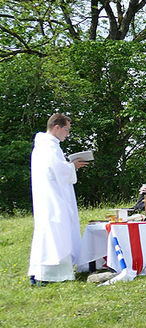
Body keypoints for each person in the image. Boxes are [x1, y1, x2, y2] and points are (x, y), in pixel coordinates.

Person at [29, 113, 88, 284]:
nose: (67, 134)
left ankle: (40, 275)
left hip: (49, 195)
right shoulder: (49, 146)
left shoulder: (44, 145)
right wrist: (73, 166)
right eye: (66, 130)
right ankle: (50, 275)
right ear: (57, 127)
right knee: (57, 233)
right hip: (53, 198)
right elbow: (57, 170)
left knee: (50, 232)